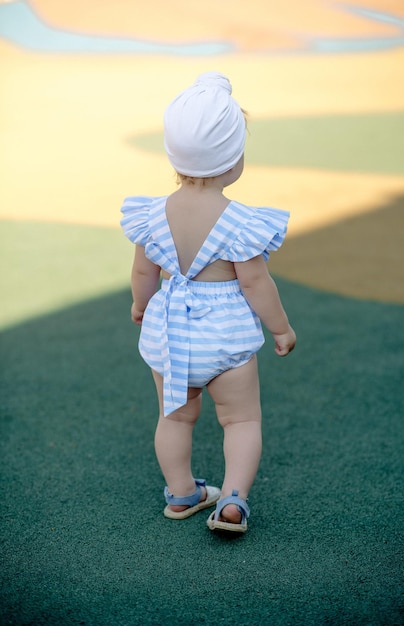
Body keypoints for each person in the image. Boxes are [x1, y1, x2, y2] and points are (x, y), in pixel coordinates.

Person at [120, 71, 296, 533]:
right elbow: (257, 284)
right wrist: (280, 328)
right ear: (234, 160)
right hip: (225, 340)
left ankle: (182, 493)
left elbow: (144, 273)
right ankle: (233, 500)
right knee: (240, 420)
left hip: (169, 337)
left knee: (174, 419)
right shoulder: (241, 223)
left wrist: (142, 306)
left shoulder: (151, 214)